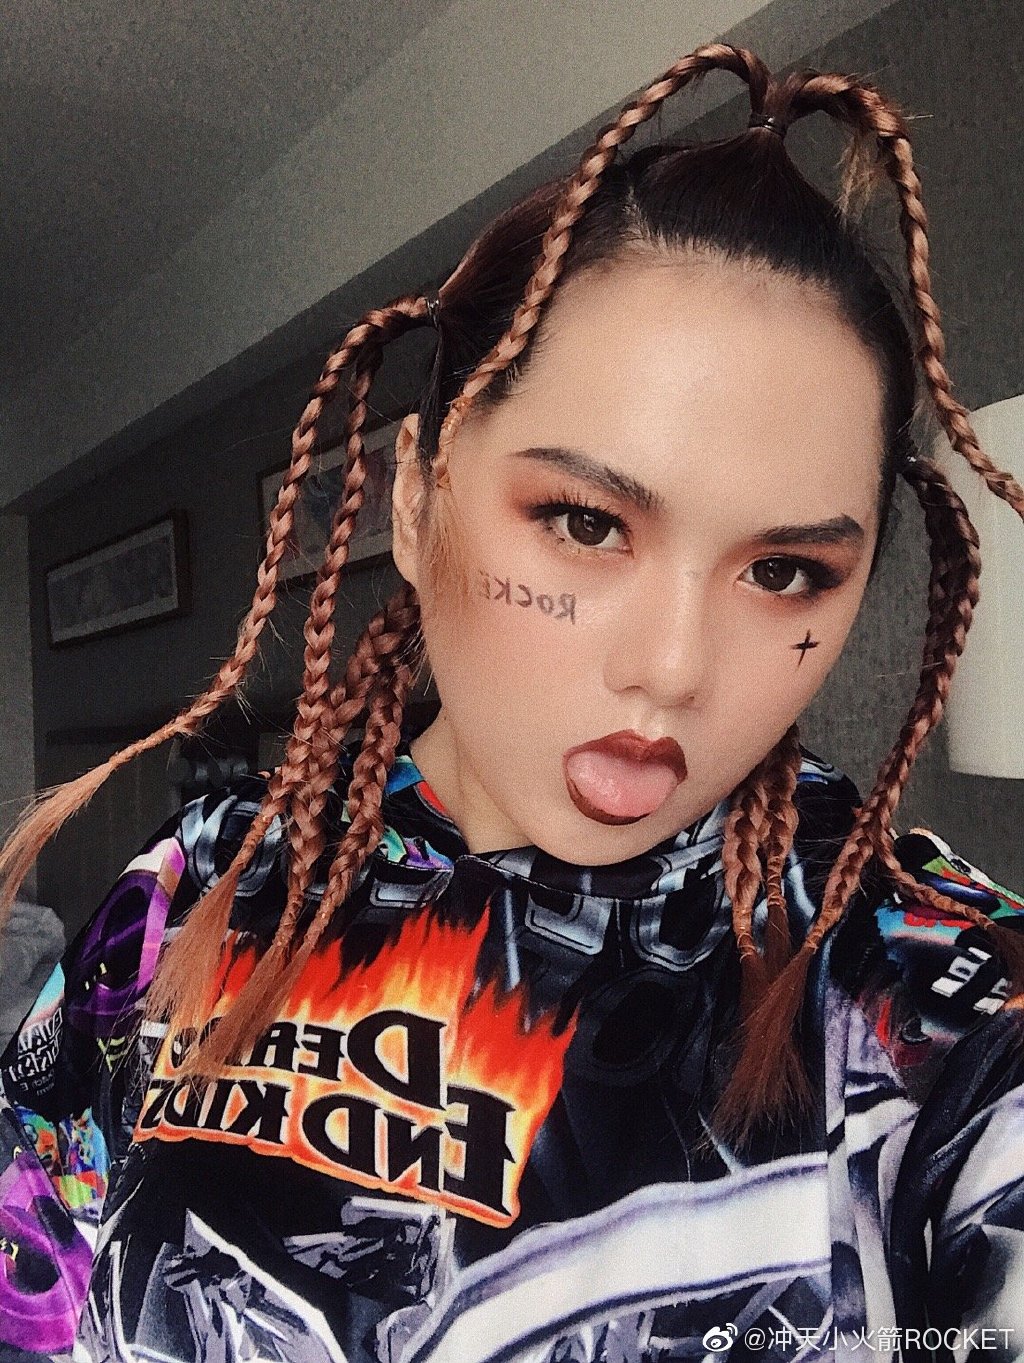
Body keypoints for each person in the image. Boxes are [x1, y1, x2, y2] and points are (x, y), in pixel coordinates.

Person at [1, 39, 1023, 1363]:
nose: (673, 667)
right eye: (586, 523)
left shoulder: (929, 999)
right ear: (418, 503)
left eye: (783, 571)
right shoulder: (210, 874)